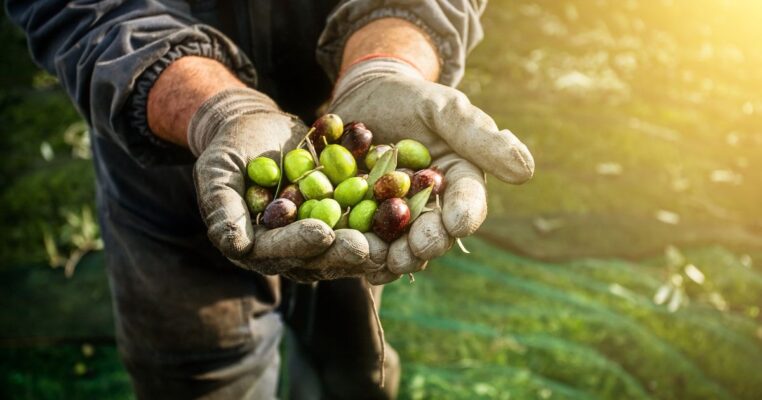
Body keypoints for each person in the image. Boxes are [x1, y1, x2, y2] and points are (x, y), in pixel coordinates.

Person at [7, 1, 534, 398]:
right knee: (199, 373)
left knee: (354, 361)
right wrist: (218, 109)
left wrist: (385, 63)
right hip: (165, 151)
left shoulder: (364, 178)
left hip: (355, 115)